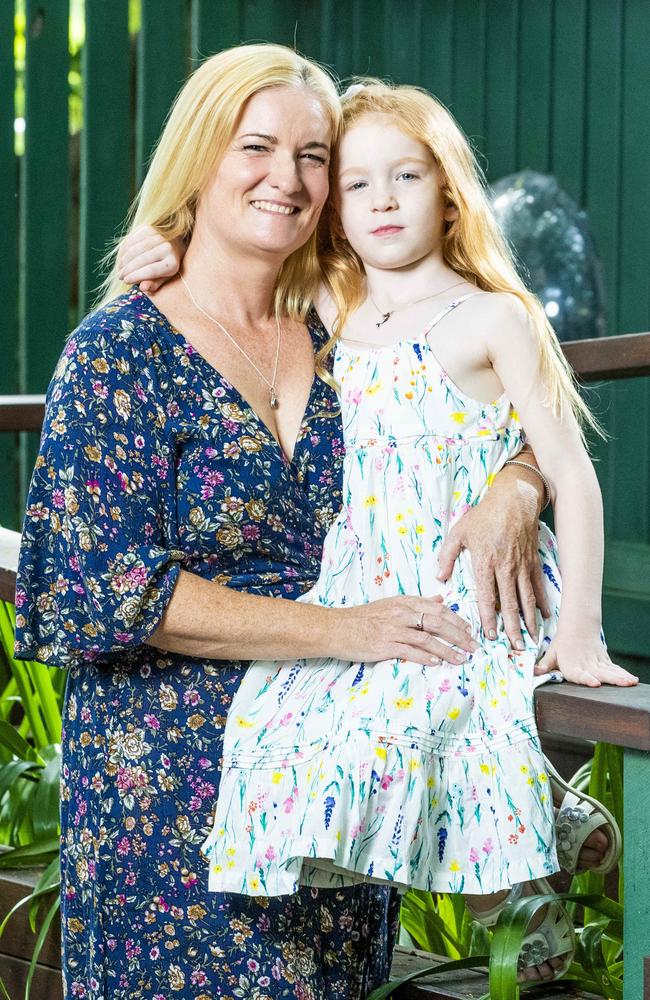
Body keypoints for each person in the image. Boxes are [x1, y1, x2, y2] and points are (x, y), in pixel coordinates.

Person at [12, 47, 556, 1000]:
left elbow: (499, 417)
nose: (288, 178)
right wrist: (342, 630)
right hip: (174, 803)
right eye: (257, 146)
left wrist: (517, 482)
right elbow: (102, 591)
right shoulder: (120, 350)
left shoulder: (345, 332)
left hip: (331, 792)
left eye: (314, 157)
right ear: (200, 157)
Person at [120, 80, 637, 985]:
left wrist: (580, 631)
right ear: (336, 212)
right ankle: (549, 819)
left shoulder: (493, 319)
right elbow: (226, 262)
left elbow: (573, 474)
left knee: (429, 705)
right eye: (356, 185)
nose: (383, 200)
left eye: (406, 177)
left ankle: (527, 913)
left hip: (464, 583)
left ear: (448, 192)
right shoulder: (332, 306)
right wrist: (162, 244)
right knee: (282, 718)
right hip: (361, 581)